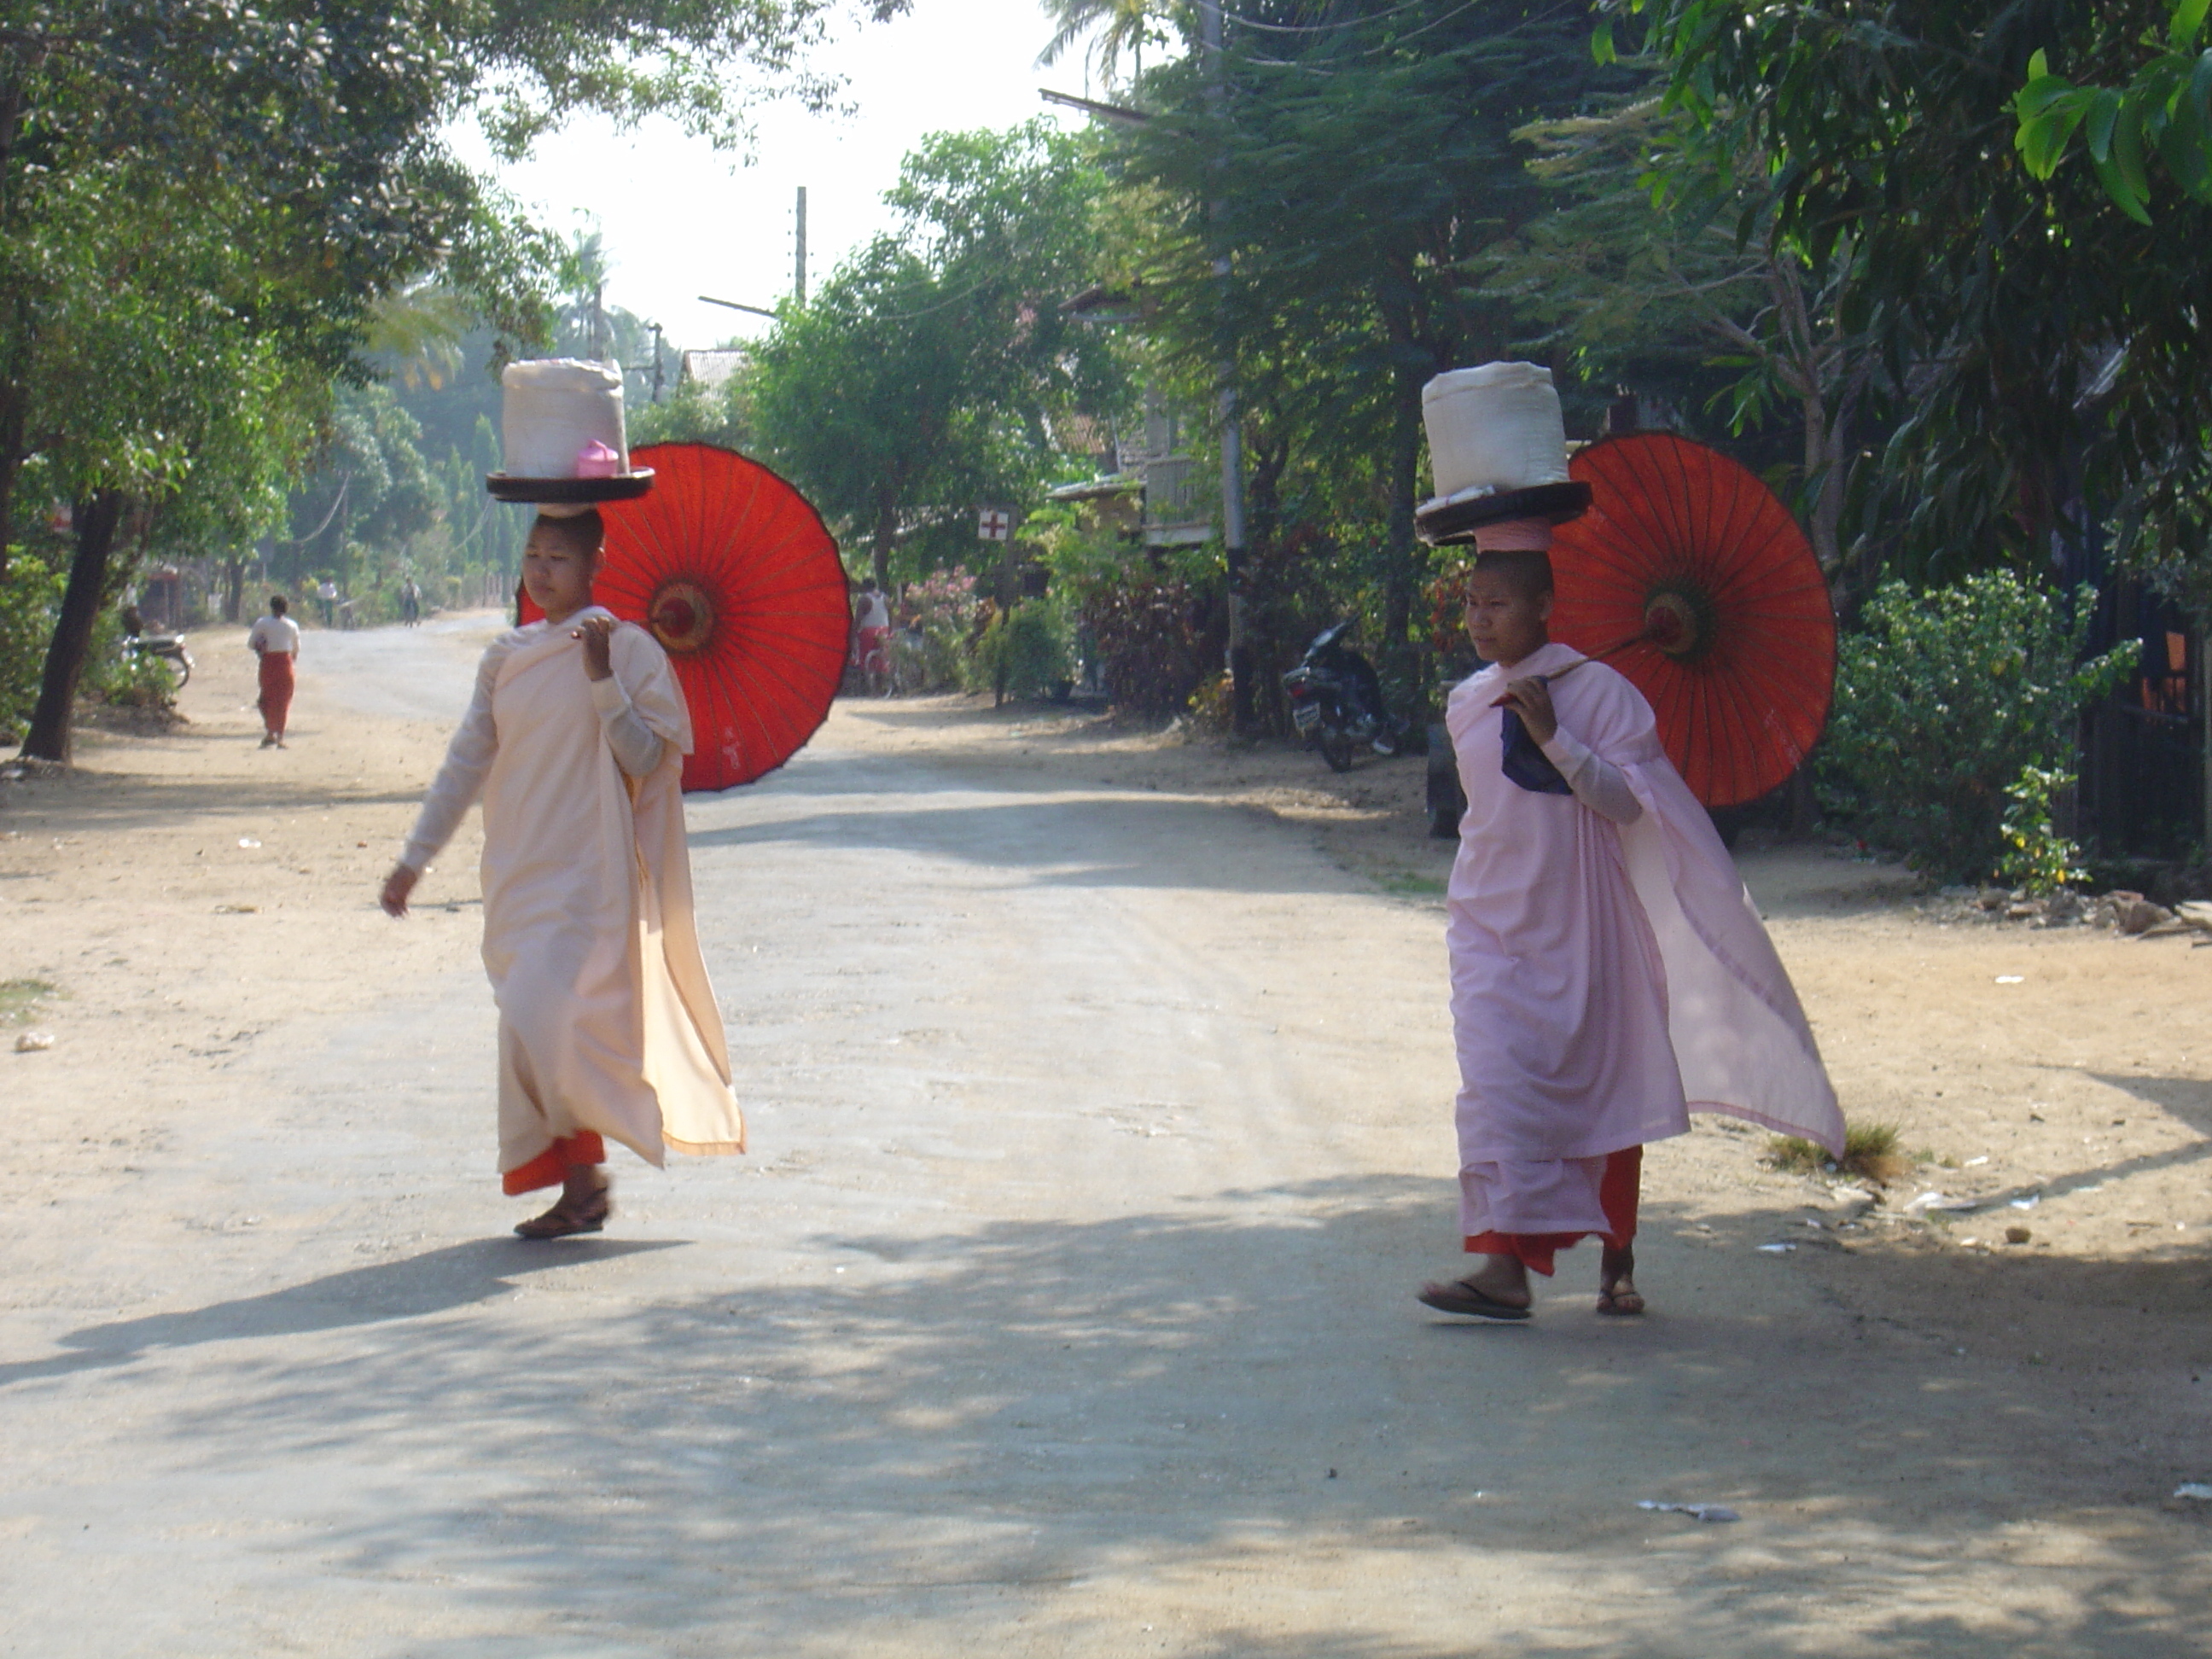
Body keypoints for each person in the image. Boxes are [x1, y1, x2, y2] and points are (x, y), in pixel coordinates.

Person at [1417, 544, 1841, 1322]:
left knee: (1605, 1084)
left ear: (1545, 606)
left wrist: (1555, 737)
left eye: (1498, 603)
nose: (1480, 618)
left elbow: (1625, 805)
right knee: (1497, 1085)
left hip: (1584, 926)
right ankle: (1503, 1269)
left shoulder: (1602, 695)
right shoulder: (1467, 702)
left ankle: (1618, 1259)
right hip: (1489, 926)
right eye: (1472, 602)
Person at [379, 508, 744, 1237]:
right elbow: (466, 762)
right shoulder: (506, 656)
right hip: (519, 869)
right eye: (533, 555)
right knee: (527, 1027)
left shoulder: (630, 649)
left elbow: (647, 760)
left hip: (592, 872)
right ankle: (581, 1189)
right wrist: (414, 859)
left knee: (550, 1019)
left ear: (595, 564)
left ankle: (588, 1179)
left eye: (559, 558)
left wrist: (603, 681)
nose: (542, 571)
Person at [246, 596, 301, 749]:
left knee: (266, 699)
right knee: (283, 701)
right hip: (286, 664)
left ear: (271, 607)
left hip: (268, 664)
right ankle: (280, 737)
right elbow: (296, 650)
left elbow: (251, 644)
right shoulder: (292, 625)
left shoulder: (262, 623)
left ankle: (271, 732)